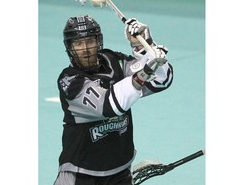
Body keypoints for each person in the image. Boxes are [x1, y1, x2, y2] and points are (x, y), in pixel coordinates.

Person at [54, 15, 173, 185]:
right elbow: (111, 105)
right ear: (70, 47)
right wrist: (146, 69)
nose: (85, 48)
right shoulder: (70, 82)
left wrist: (145, 48)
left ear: (98, 41)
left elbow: (162, 81)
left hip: (120, 172)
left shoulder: (114, 61)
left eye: (90, 41)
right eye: (78, 43)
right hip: (80, 173)